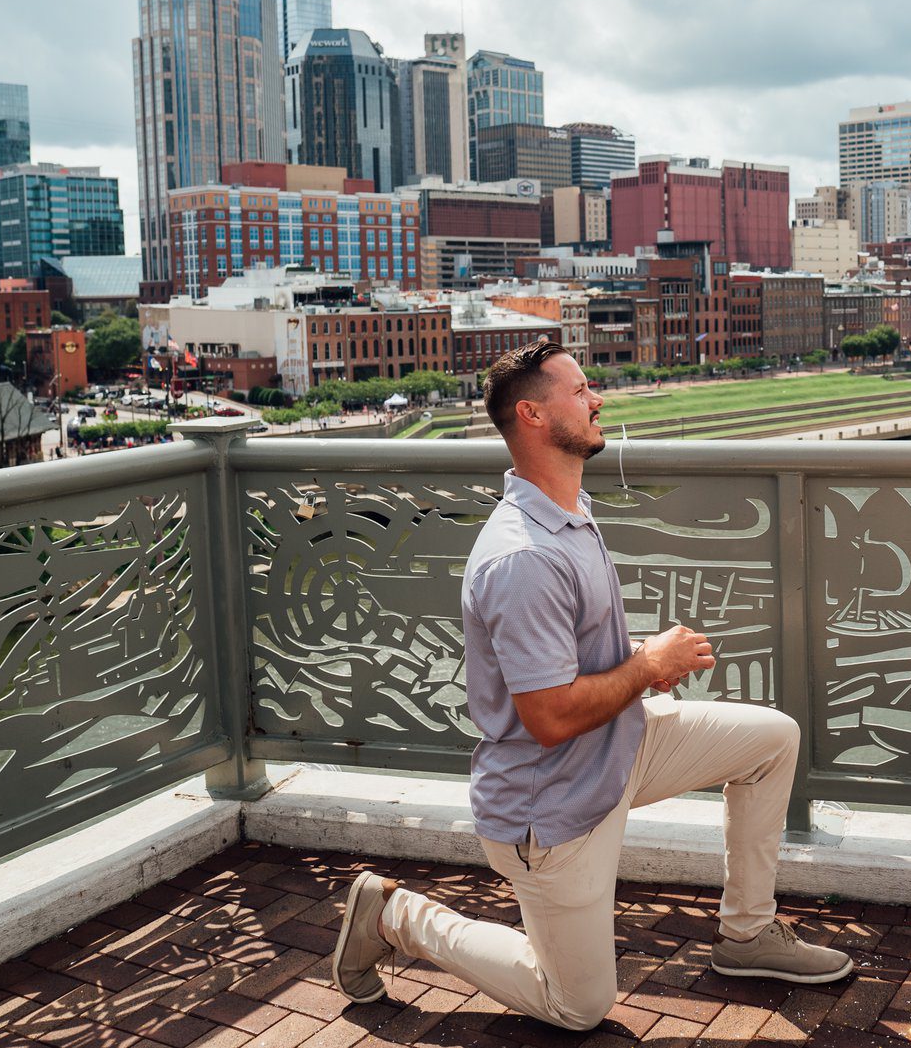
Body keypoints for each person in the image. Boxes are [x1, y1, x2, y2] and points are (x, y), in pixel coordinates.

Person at [331, 339, 851, 1030]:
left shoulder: (567, 510)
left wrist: (644, 657)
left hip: (619, 746)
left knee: (772, 741)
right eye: (579, 391)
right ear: (534, 415)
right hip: (552, 804)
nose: (597, 398)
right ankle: (396, 916)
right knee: (578, 1005)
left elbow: (570, 660)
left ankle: (747, 934)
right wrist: (646, 667)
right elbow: (547, 717)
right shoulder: (526, 556)